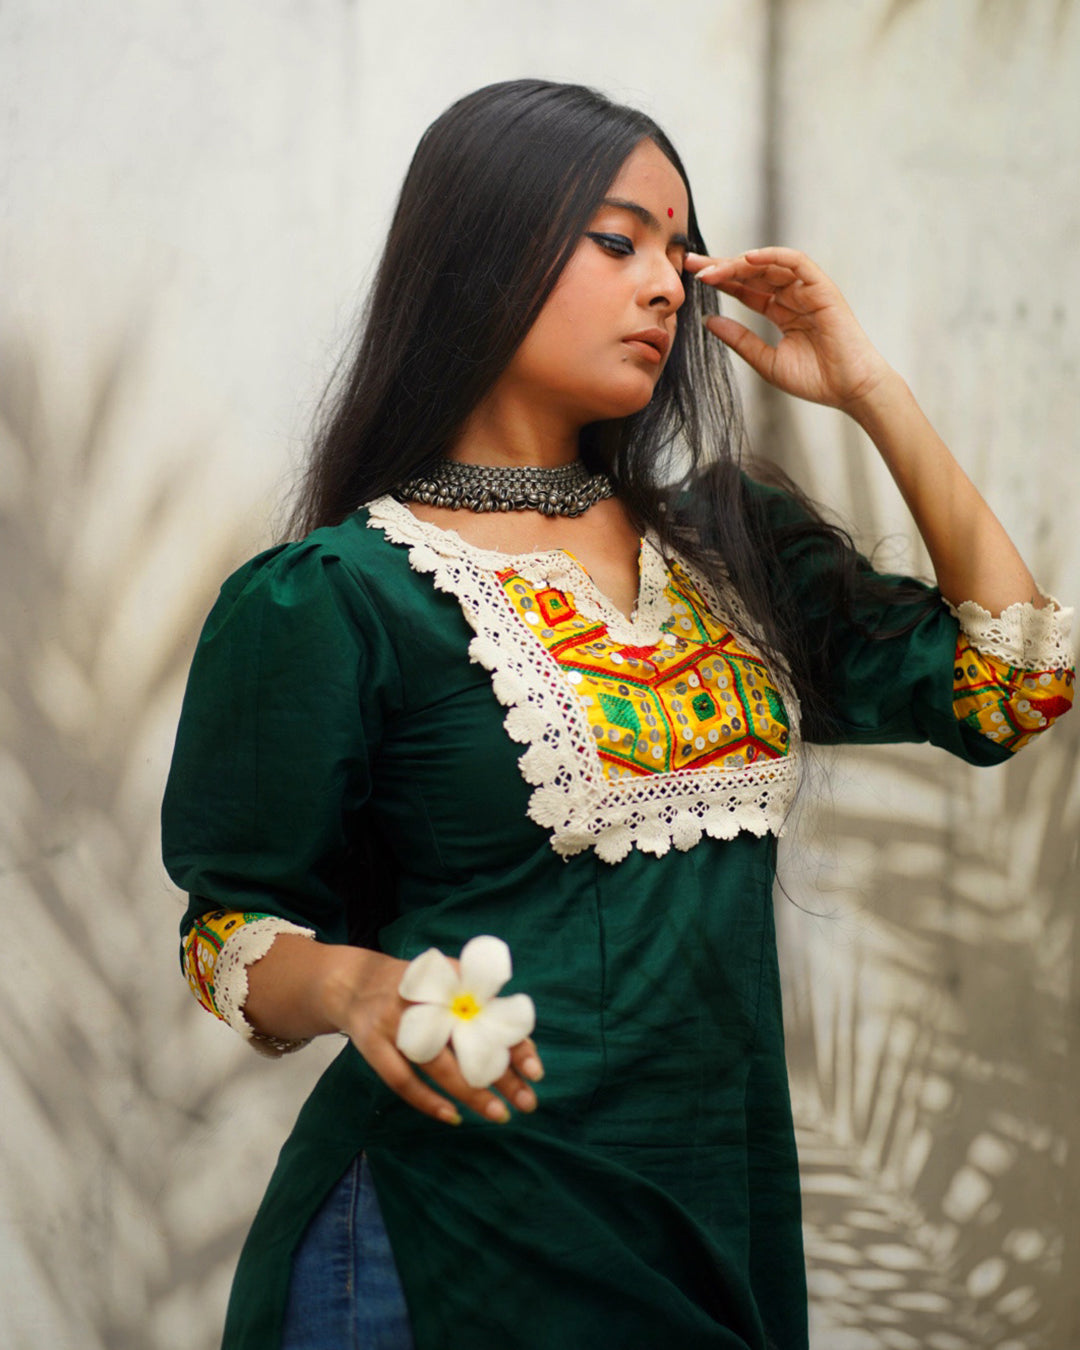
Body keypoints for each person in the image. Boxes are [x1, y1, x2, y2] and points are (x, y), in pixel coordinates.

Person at [161, 79, 1074, 1350]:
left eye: (679, 254)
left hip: (703, 1231)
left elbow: (1014, 685)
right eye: (618, 240)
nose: (666, 287)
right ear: (484, 253)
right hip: (440, 1242)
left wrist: (869, 387)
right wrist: (358, 988)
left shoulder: (729, 549)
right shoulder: (339, 595)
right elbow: (225, 933)